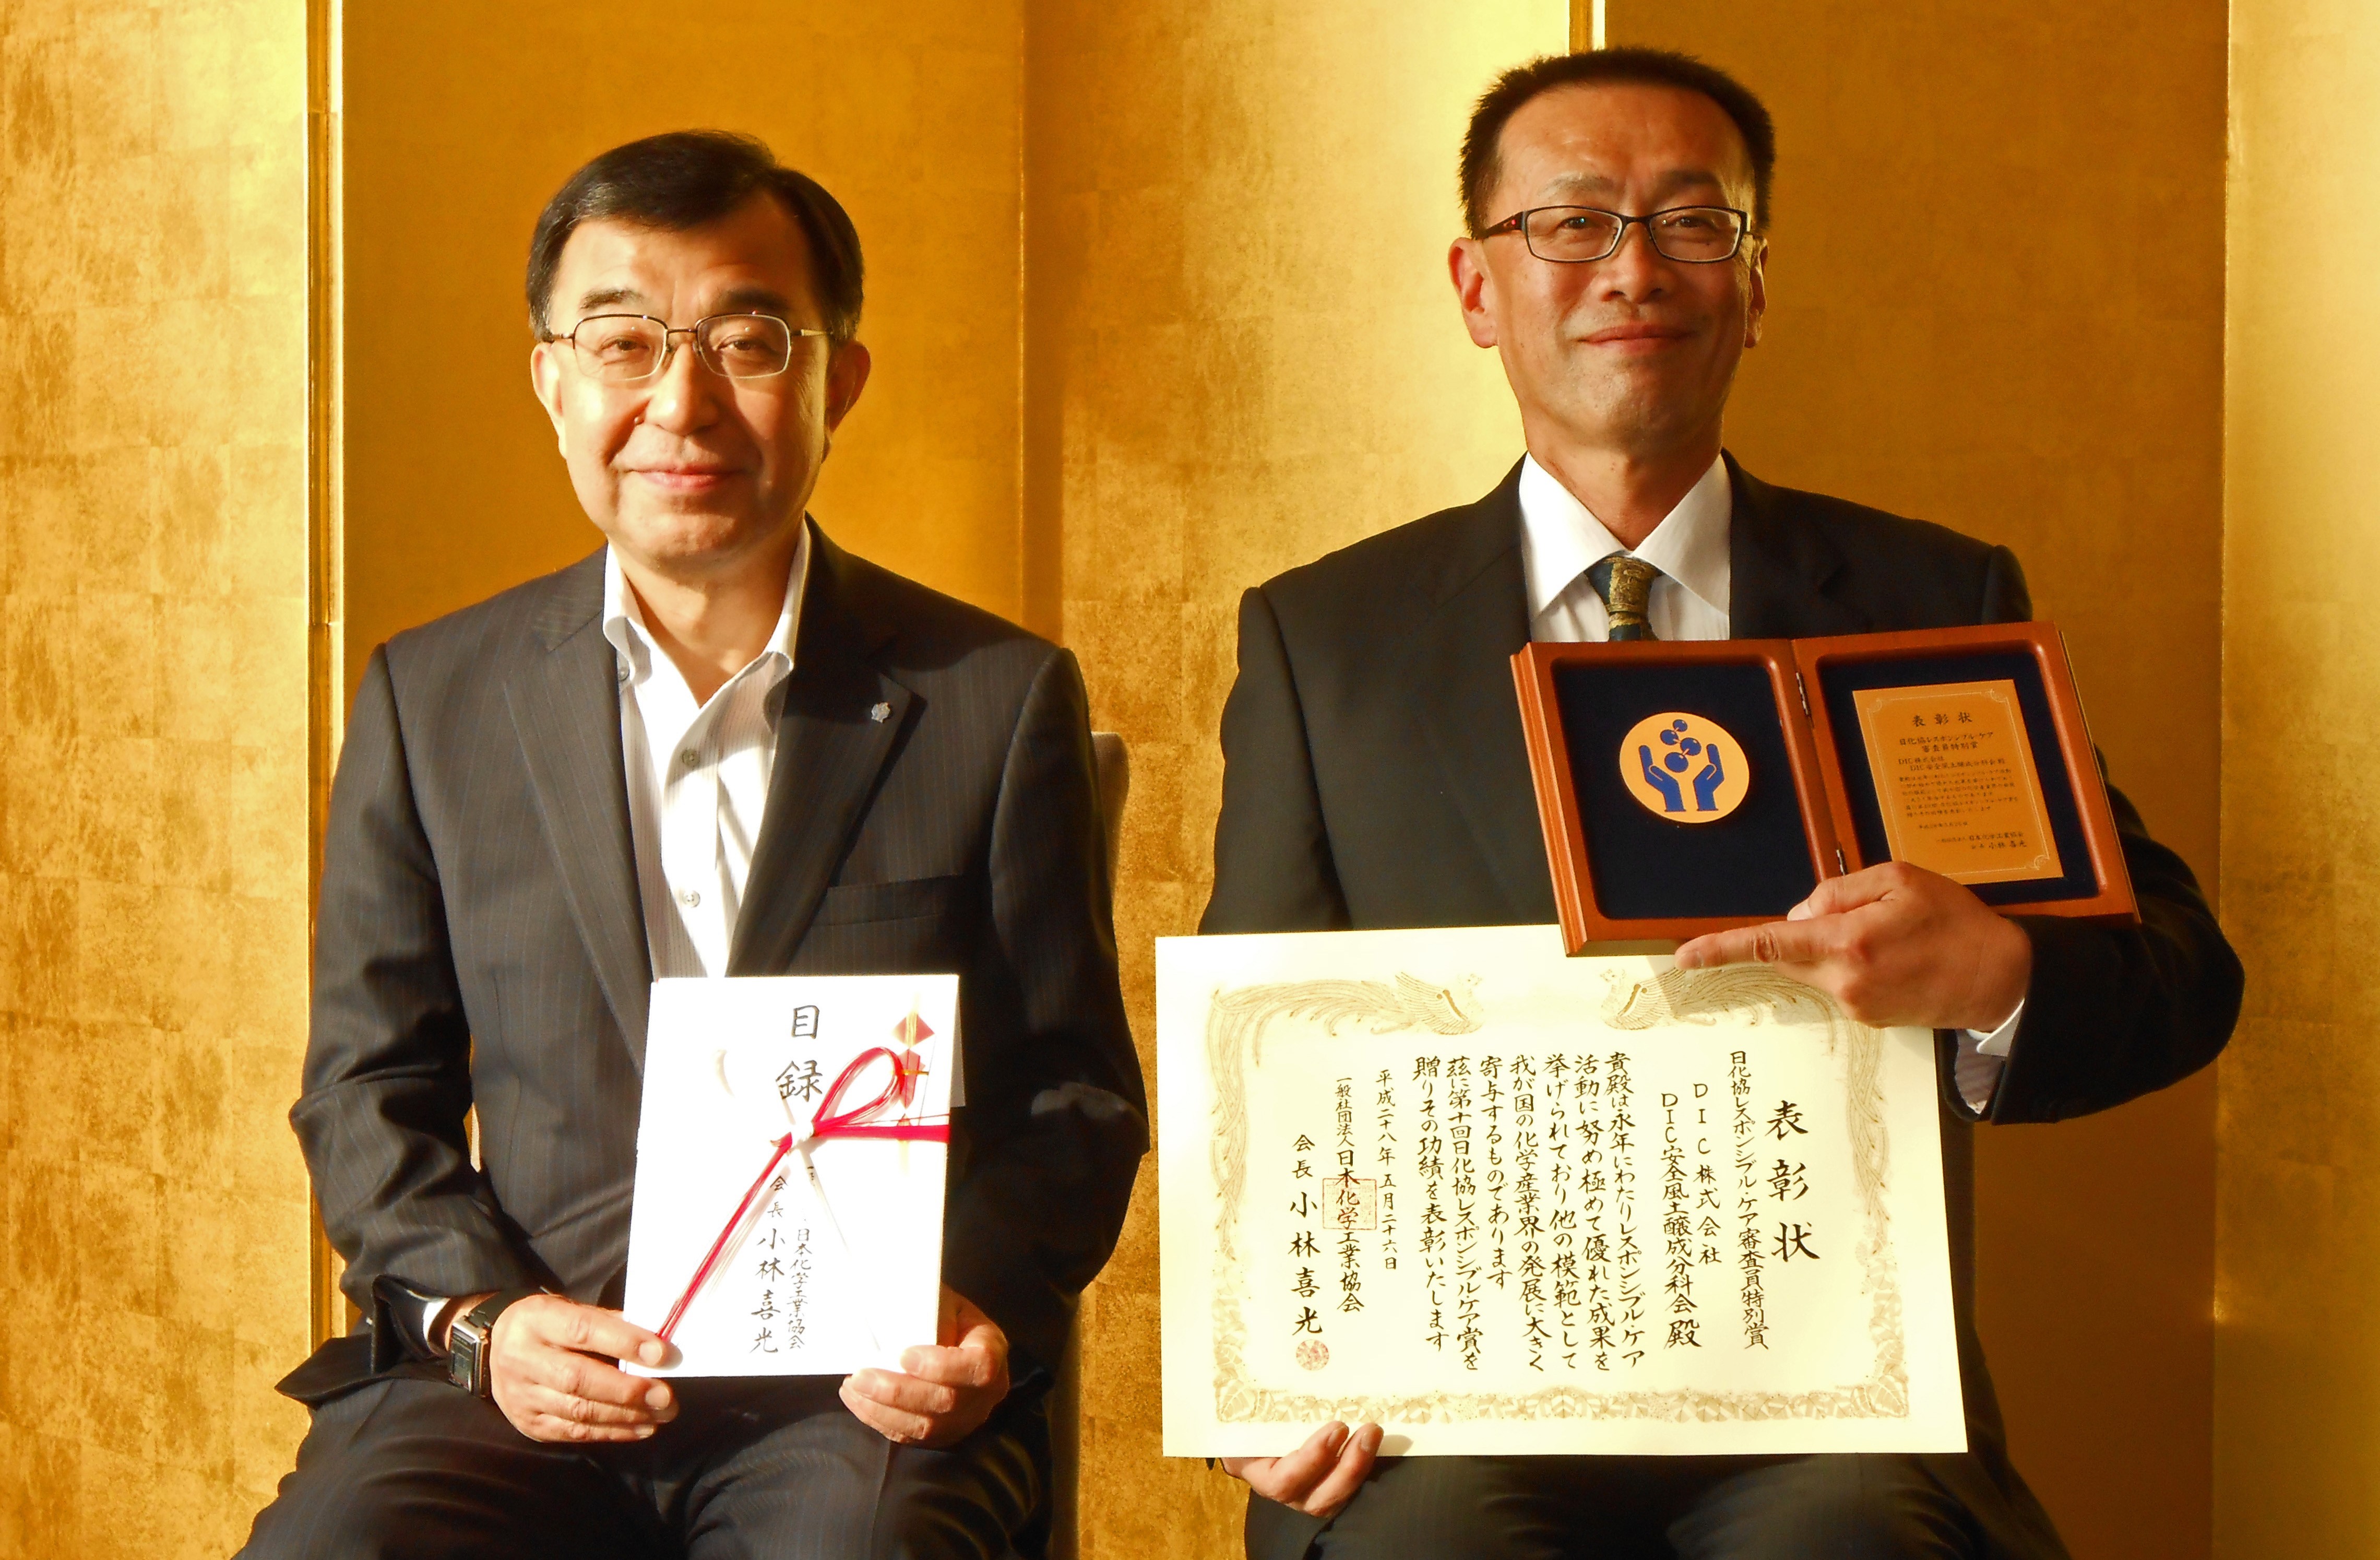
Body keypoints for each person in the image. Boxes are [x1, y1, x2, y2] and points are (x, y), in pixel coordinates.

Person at [1199, 49, 2240, 1560]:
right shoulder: (1326, 640)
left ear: (1756, 283)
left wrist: (1999, 978)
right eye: (1572, 223)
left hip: (1833, 1415)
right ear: (1478, 286)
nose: (1633, 270)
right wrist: (1260, 1365)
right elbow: (1270, 1049)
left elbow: (2182, 973)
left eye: (1693, 223)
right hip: (1456, 1414)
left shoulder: (1925, 604)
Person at [241, 131, 1147, 1559]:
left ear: (838, 378)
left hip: (844, 1396)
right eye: (624, 342)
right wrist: (487, 1322)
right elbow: (367, 1089)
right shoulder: (432, 699)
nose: (681, 401)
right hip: (526, 1372)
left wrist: (966, 1300)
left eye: (747, 341)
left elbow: (1071, 1097)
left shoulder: (993, 697)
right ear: (550, 379)